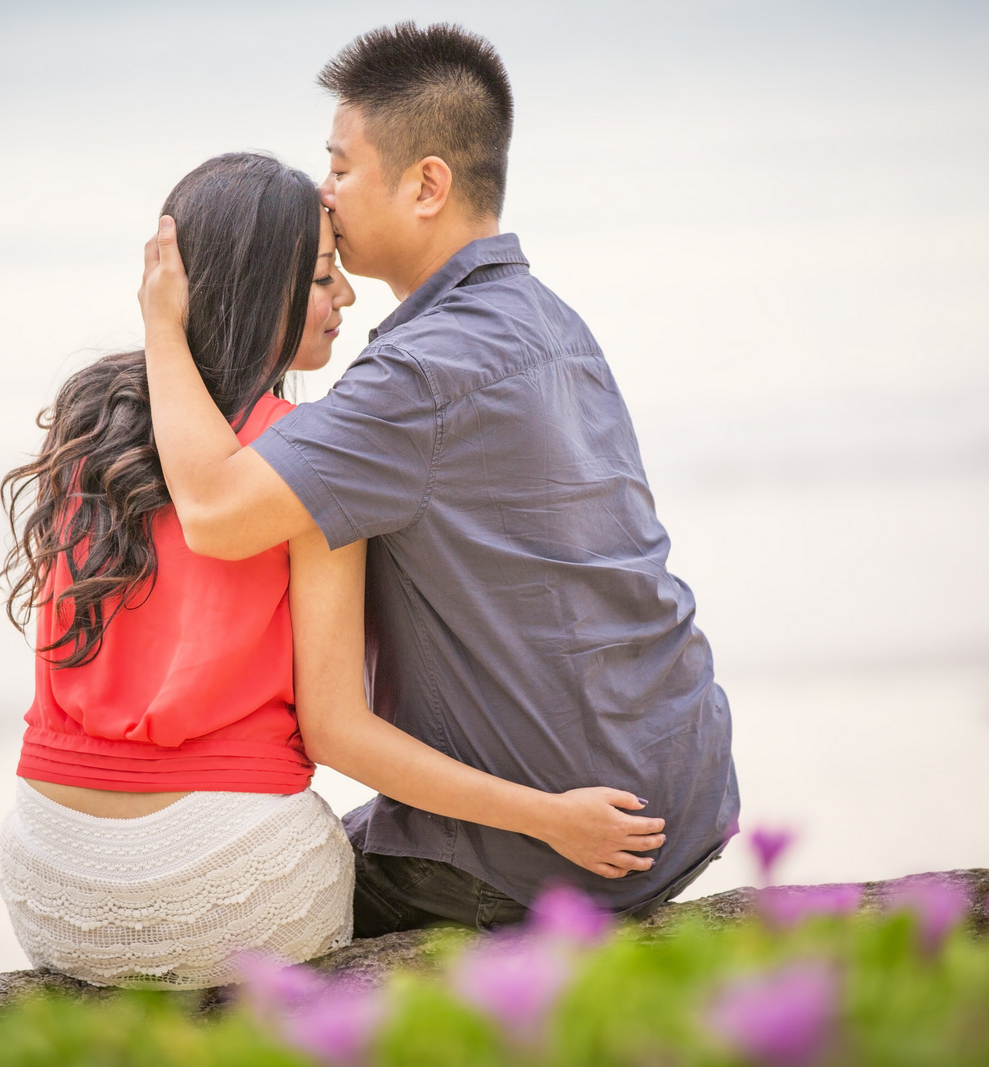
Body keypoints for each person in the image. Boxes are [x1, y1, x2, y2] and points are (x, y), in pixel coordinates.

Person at [0, 152, 665, 989]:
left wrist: (163, 331)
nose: (345, 294)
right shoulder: (305, 463)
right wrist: (551, 819)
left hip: (49, 882)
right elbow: (337, 731)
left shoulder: (91, 421)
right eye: (319, 277)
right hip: (222, 891)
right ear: (256, 291)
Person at [137, 24, 740, 939]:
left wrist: (162, 326)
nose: (322, 194)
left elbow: (216, 511)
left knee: (222, 911)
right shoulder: (551, 322)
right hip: (679, 781)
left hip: (562, 847)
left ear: (427, 184)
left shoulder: (415, 379)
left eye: (338, 166)